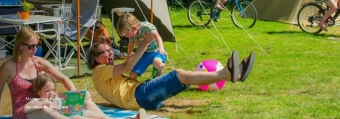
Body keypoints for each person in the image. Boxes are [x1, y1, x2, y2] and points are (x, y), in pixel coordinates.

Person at [86, 40, 255, 110]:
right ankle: (227, 73)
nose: (110, 52)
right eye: (106, 51)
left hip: (140, 96)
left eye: (110, 49)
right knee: (180, 74)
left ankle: (233, 74)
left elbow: (129, 77)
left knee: (182, 77)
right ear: (96, 58)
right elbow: (128, 66)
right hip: (139, 97)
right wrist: (145, 42)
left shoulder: (106, 73)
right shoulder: (99, 71)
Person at [0, 27, 106, 119]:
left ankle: (105, 118)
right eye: (31, 46)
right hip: (25, 110)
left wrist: (74, 94)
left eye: (38, 45)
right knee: (46, 109)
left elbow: (63, 78)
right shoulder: (8, 67)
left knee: (84, 96)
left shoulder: (38, 62)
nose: (35, 49)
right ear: (20, 45)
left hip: (46, 101)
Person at [23, 73, 109, 119]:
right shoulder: (39, 100)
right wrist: (45, 102)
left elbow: (66, 99)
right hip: (70, 116)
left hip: (75, 112)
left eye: (52, 90)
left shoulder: (54, 97)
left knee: (102, 117)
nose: (51, 93)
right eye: (47, 91)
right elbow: (26, 108)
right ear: (38, 91)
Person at [117, 12, 167, 80]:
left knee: (157, 62)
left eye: (126, 34)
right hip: (144, 53)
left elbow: (157, 36)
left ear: (134, 29)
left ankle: (158, 72)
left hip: (156, 51)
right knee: (132, 75)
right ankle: (137, 87)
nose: (126, 36)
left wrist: (161, 47)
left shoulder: (146, 27)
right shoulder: (132, 34)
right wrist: (129, 55)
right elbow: (130, 45)